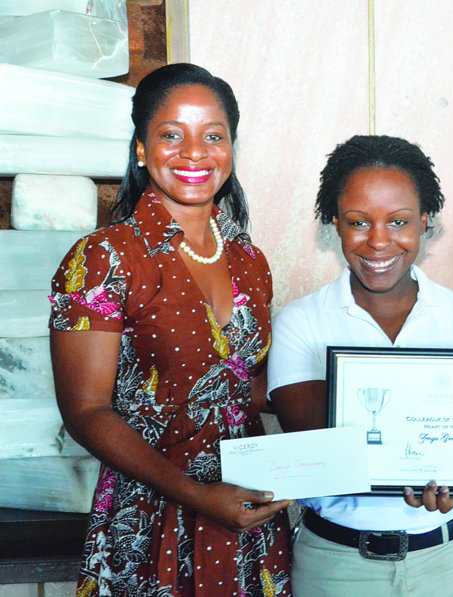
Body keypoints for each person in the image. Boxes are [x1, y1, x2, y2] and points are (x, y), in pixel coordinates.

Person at [49, 63, 292, 596]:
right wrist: (197, 494)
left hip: (248, 515)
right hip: (149, 516)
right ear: (141, 147)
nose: (194, 152)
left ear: (231, 148)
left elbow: (242, 388)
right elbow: (86, 412)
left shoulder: (251, 261)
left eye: (213, 136)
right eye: (171, 135)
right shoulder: (103, 258)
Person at [267, 135, 453, 597]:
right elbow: (316, 449)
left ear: (425, 222)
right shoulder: (300, 322)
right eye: (358, 222)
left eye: (399, 221)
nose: (379, 241)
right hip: (336, 565)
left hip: (448, 562)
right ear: (335, 223)